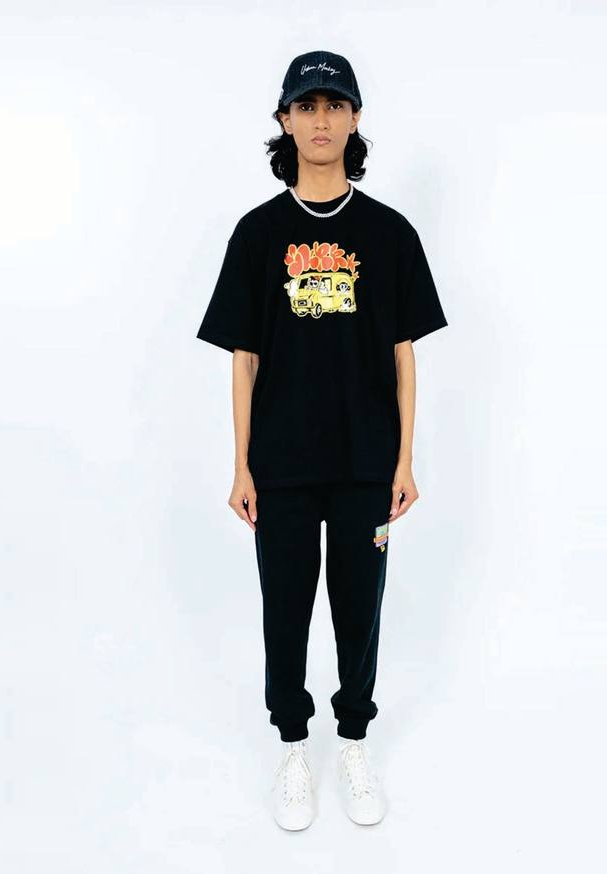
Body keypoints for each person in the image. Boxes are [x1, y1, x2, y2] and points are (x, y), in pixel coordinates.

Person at [196, 50, 448, 831]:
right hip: (280, 465)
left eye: (335, 104)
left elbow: (404, 356)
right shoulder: (257, 234)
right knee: (285, 609)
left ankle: (354, 743)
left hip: (367, 462)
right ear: (284, 120)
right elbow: (244, 358)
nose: (321, 120)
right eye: (306, 106)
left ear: (356, 118)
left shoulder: (390, 234)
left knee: (359, 608)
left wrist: (404, 459)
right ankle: (294, 748)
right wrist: (241, 465)